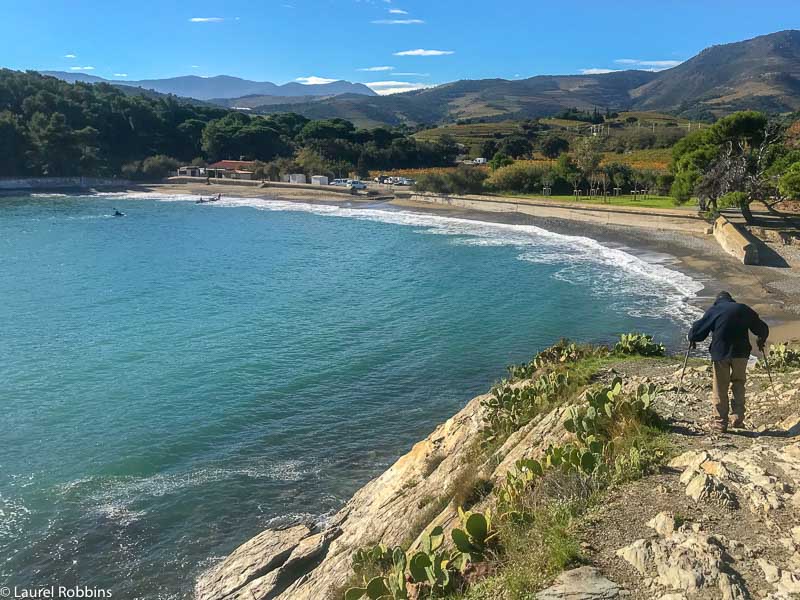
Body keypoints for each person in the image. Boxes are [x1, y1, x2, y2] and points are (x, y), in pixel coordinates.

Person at [688, 291, 769, 433]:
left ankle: (720, 422)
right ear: (731, 300)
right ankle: (737, 417)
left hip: (721, 354)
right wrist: (761, 340)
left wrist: (692, 338)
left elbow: (698, 331)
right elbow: (762, 328)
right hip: (741, 353)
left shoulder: (715, 309)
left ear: (717, 301)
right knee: (739, 383)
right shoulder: (743, 309)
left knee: (720, 386)